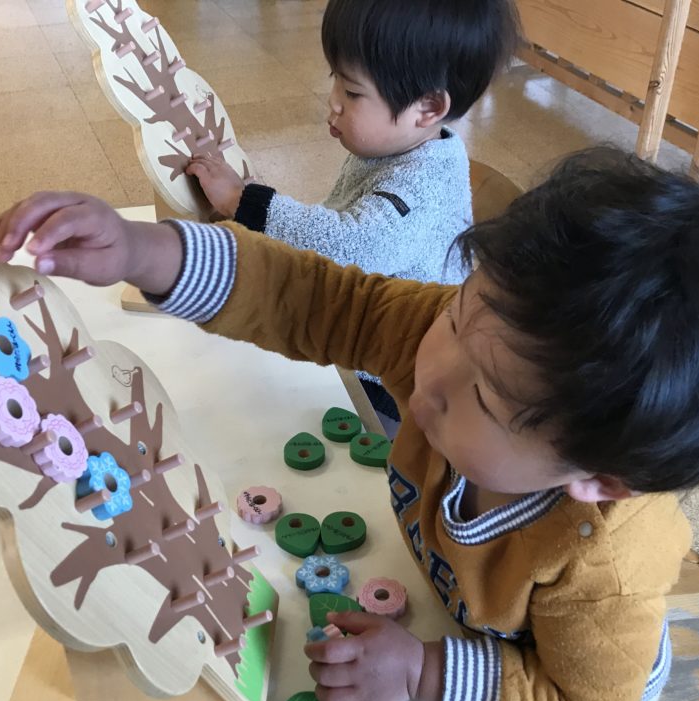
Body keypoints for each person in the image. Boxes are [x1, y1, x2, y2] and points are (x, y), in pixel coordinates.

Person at [0, 147, 699, 701]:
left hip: (552, 684)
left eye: (483, 401)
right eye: (459, 312)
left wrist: (423, 674)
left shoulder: (604, 571)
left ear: (596, 481)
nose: (427, 378)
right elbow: (320, 299)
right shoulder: (474, 342)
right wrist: (145, 251)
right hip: (454, 607)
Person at [186, 0, 518, 430]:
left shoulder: (422, 185)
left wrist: (244, 202)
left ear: (428, 108)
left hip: (390, 388)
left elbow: (350, 246)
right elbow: (338, 225)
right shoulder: (397, 145)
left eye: (353, 92)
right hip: (362, 335)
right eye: (335, 81)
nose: (334, 103)